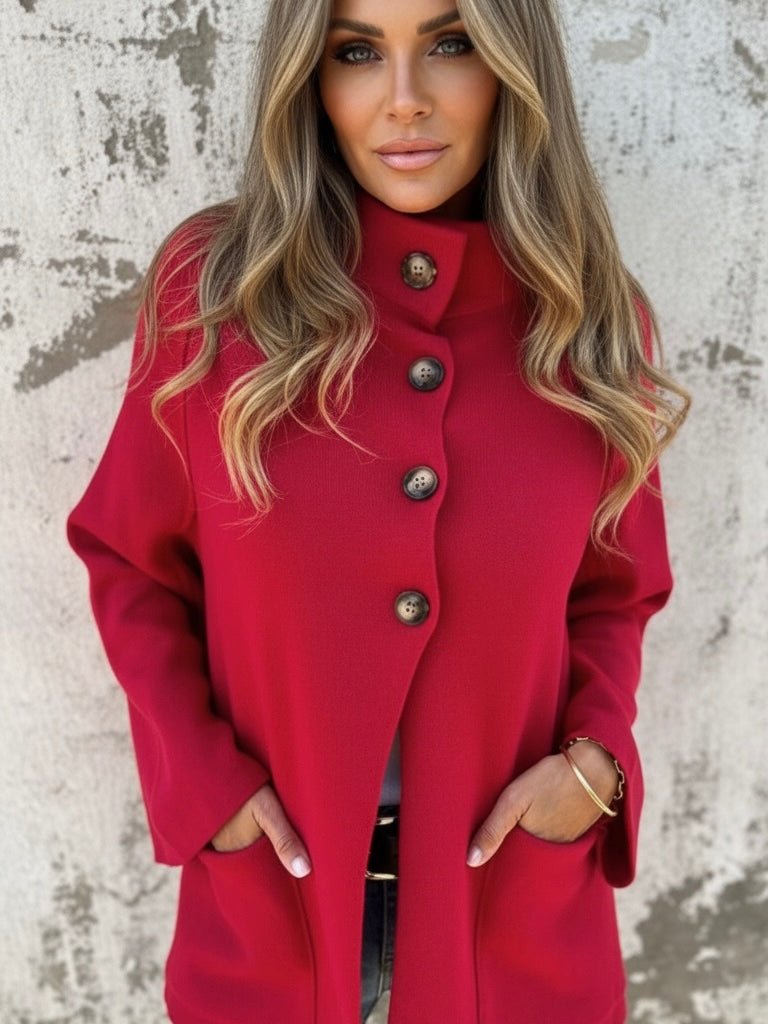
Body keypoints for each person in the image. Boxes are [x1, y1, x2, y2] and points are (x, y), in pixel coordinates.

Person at [66, 1, 691, 1022]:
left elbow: (616, 593)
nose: (405, 99)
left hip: (513, 928)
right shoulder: (218, 294)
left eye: (450, 43)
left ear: (511, 68)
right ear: (309, 81)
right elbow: (130, 561)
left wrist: (595, 768)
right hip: (272, 917)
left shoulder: (590, 322)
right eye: (358, 52)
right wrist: (207, 794)